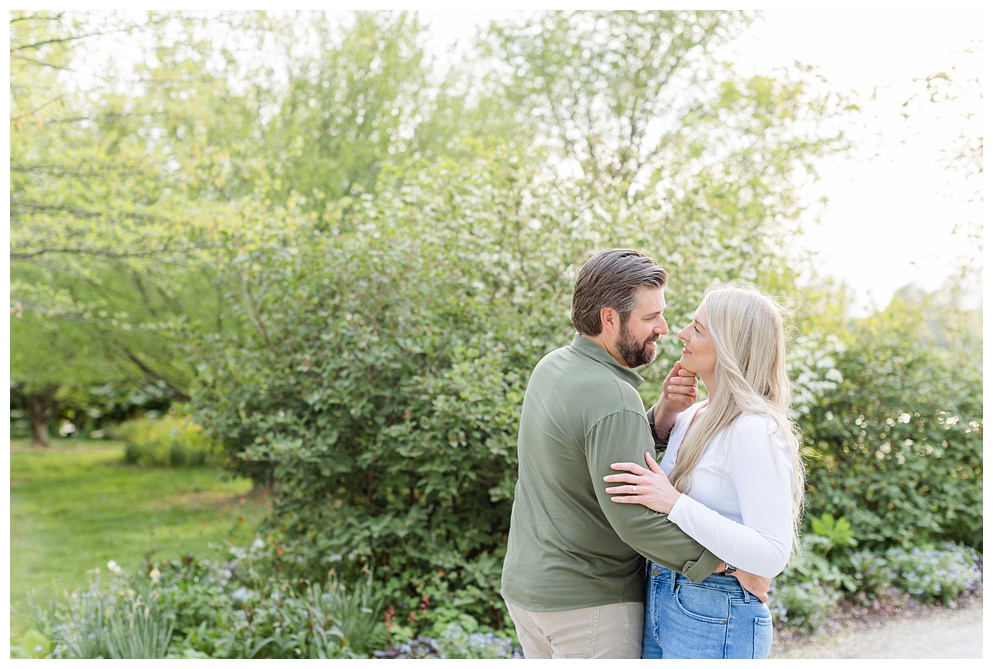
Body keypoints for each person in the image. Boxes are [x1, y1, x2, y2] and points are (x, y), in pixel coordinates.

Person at [500, 250, 772, 659]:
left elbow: (587, 452)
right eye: (650, 318)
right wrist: (730, 567)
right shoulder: (613, 398)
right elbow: (636, 520)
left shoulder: (554, 367)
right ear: (609, 318)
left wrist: (662, 416)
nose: (665, 328)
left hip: (530, 593)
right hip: (589, 605)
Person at [604, 283, 805, 659]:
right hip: (665, 594)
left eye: (697, 328)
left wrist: (675, 503)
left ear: (730, 347)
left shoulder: (754, 429)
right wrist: (666, 410)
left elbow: (772, 553)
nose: (680, 333)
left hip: (717, 610)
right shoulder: (693, 414)